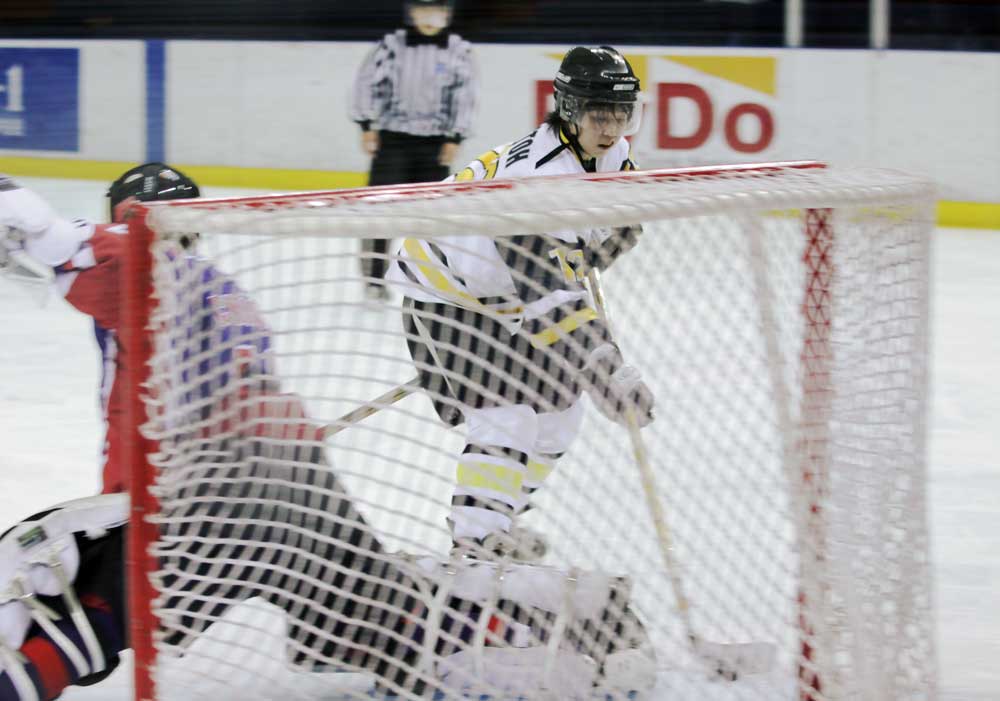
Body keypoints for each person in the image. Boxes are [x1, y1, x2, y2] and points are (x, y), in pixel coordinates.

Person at [0, 170, 656, 700]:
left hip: (205, 495)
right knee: (372, 609)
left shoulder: (148, 270)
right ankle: (551, 621)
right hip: (291, 482)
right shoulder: (221, 287)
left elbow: (75, 244)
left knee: (102, 605)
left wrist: (21, 210)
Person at [385, 46, 655, 560]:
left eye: (623, 114)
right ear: (570, 110)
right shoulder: (537, 178)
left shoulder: (612, 153)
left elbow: (624, 225)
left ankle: (499, 517)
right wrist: (606, 367)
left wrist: (597, 247)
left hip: (505, 298)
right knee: (506, 415)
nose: (613, 128)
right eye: (600, 115)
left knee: (559, 415)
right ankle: (476, 541)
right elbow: (548, 295)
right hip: (444, 295)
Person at [0, 163, 212, 494]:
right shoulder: (221, 287)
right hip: (249, 476)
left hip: (155, 497)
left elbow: (50, 236)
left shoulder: (134, 272)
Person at [350, 0, 479, 303]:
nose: (430, 18)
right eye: (423, 10)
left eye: (438, 11)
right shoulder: (392, 45)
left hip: (433, 145)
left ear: (447, 14)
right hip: (392, 141)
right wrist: (366, 123)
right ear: (412, 13)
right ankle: (374, 280)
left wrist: (455, 136)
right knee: (379, 212)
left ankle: (431, 280)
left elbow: (465, 95)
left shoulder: (459, 50)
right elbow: (366, 82)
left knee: (433, 217)